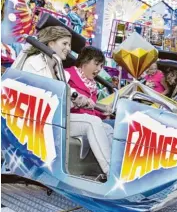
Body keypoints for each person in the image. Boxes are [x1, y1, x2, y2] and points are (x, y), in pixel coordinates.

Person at [20, 26, 112, 178]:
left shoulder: (56, 67)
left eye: (69, 45)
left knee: (107, 128)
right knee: (92, 122)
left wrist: (76, 101)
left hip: (55, 118)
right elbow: (44, 95)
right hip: (40, 121)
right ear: (50, 44)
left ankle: (115, 170)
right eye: (64, 44)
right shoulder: (35, 63)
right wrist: (76, 98)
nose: (68, 49)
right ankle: (110, 173)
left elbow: (62, 98)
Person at [65, 46, 115, 127]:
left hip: (90, 123)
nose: (99, 69)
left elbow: (92, 110)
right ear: (85, 61)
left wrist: (104, 113)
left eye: (101, 66)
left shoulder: (92, 85)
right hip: (74, 122)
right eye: (96, 64)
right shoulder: (68, 75)